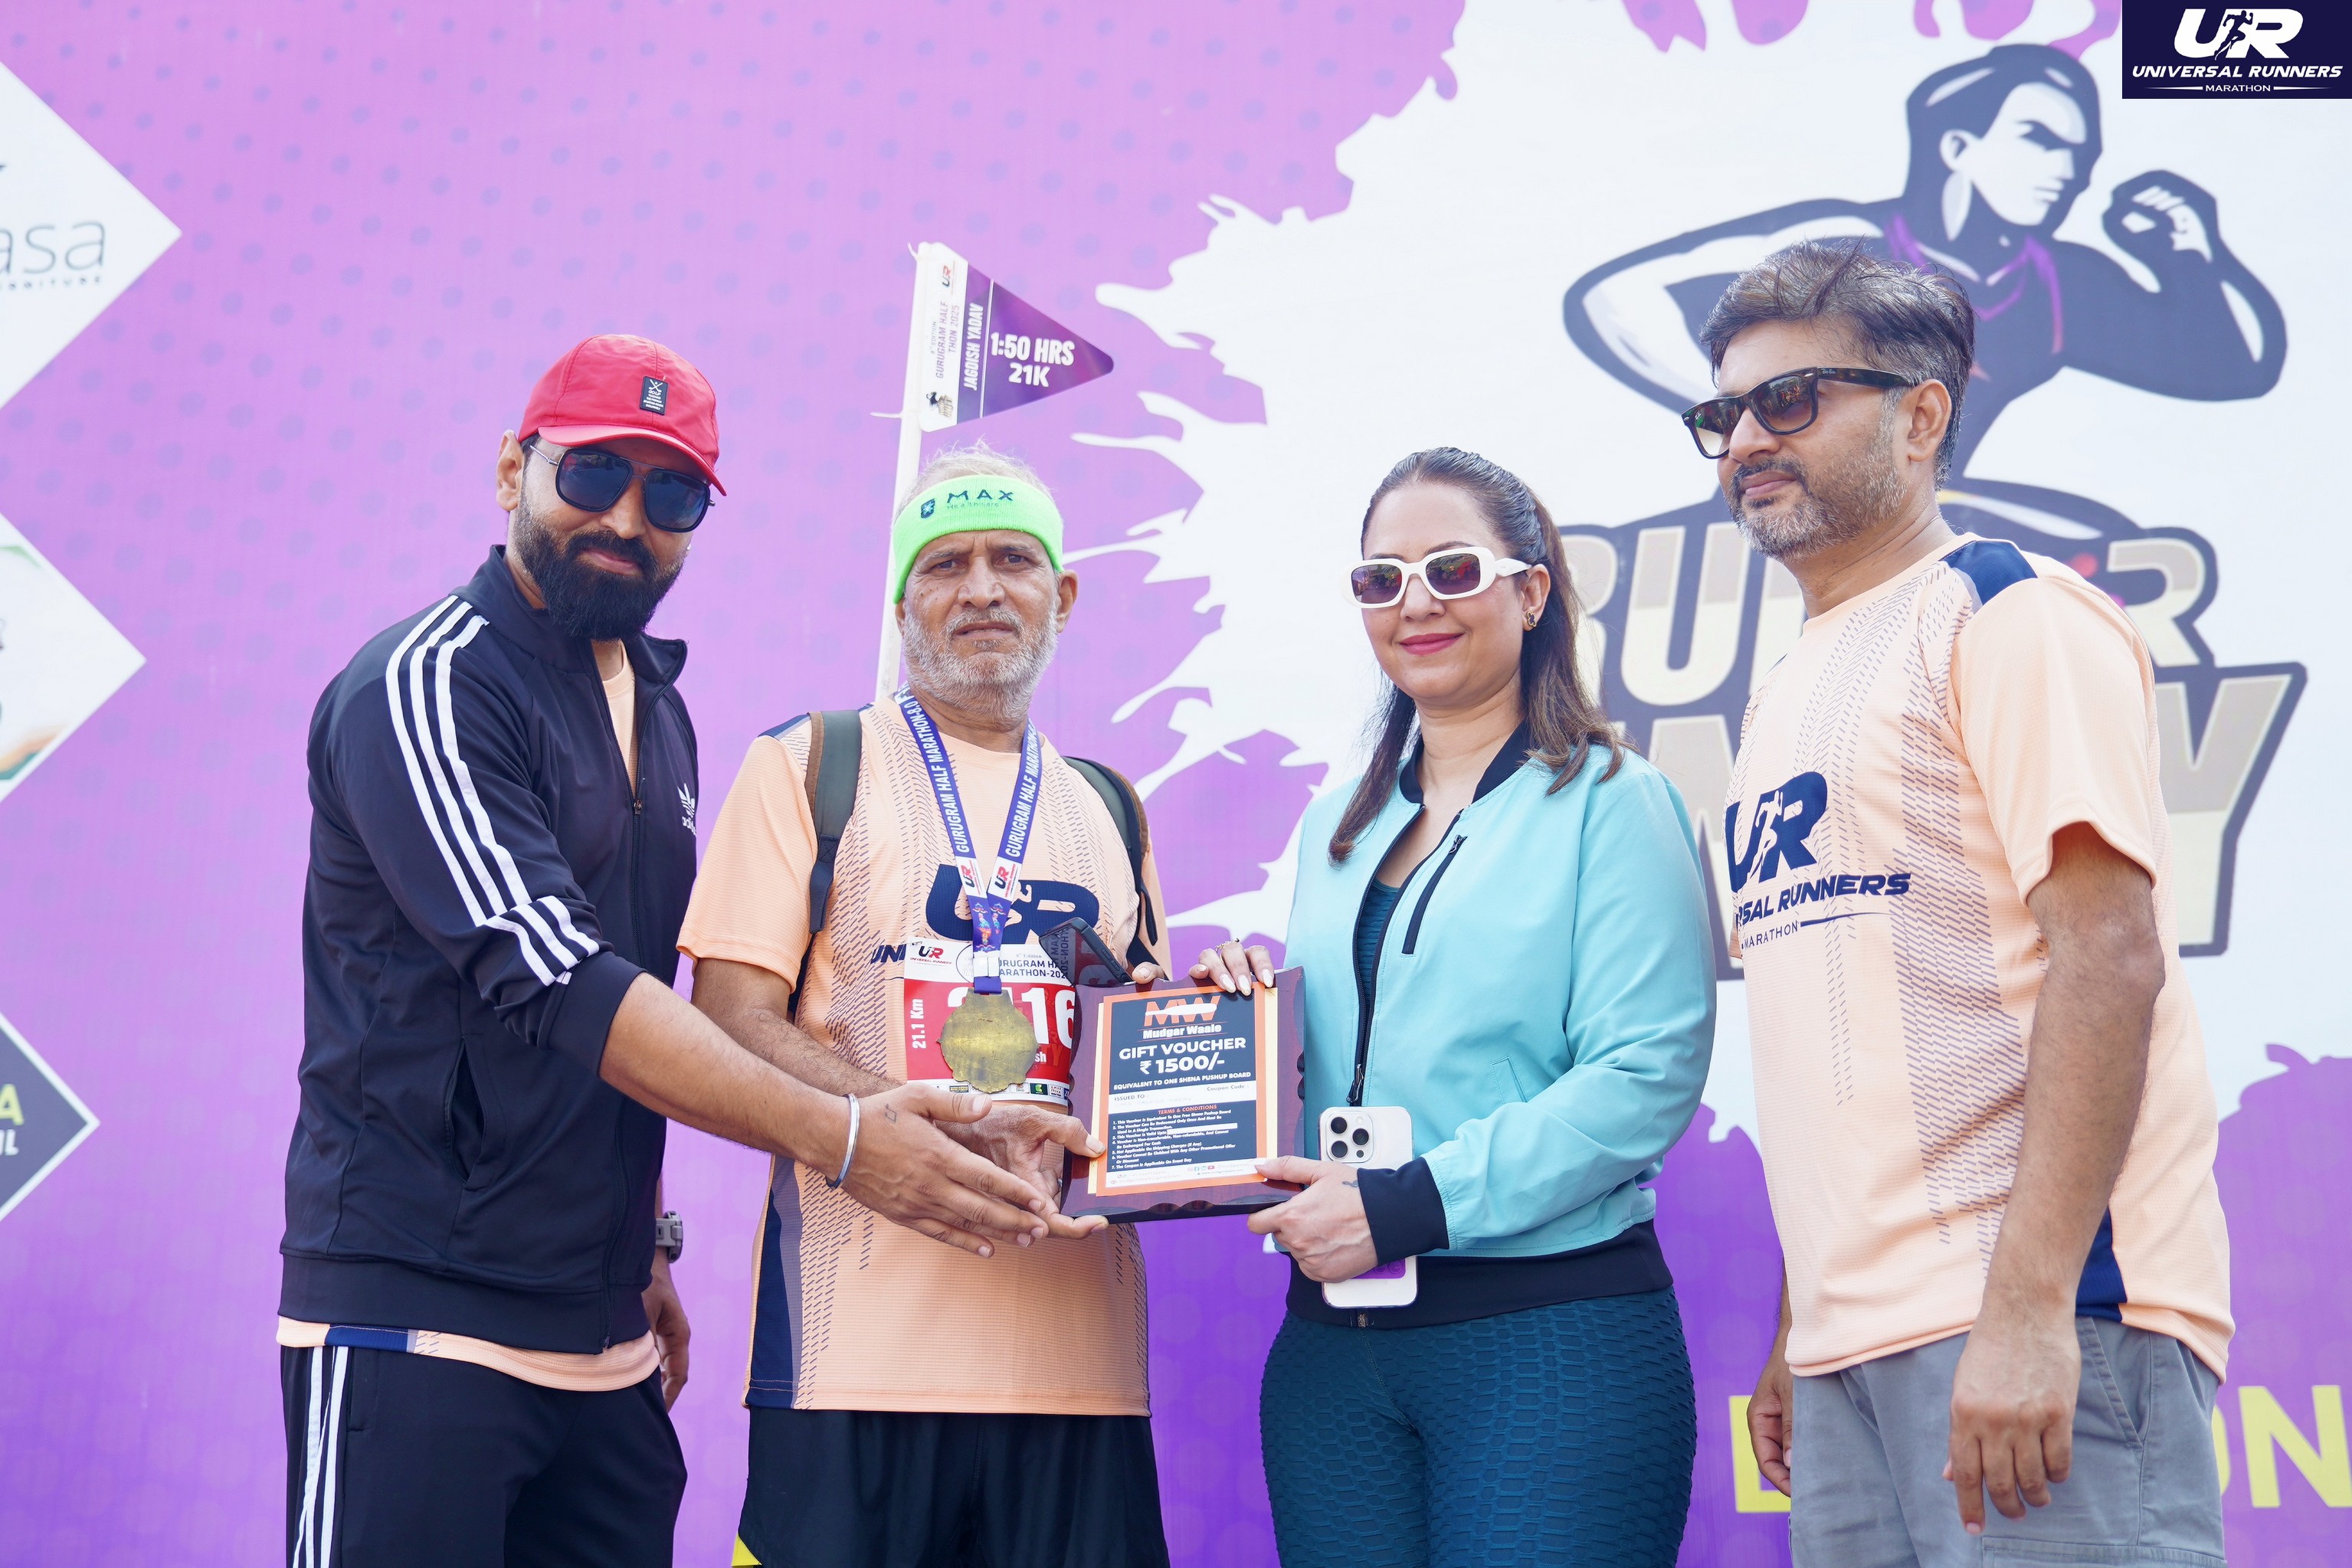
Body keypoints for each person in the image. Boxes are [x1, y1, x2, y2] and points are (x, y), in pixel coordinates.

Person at [279, 338, 1076, 1568]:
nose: (626, 519)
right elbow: (559, 980)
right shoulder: (425, 685)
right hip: (419, 1317)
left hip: (606, 1340)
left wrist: (642, 1239)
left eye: (672, 493)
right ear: (513, 469)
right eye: (592, 473)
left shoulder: (657, 705)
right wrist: (847, 1139)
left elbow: (643, 983)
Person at [1697, 244, 2232, 1563]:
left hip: (2039, 1319)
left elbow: (2107, 957)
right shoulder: (1784, 686)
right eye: (1724, 414)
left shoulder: (2007, 613)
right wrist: (1798, 1329)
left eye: (1790, 401)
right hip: (1848, 1356)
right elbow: (1839, 1047)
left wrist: (2033, 1305)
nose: (1746, 441)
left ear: (1921, 415)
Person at [1192, 447, 1718, 1567]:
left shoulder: (1617, 802)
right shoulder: (1335, 826)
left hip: (1547, 1339)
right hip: (1335, 1355)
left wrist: (1412, 1204)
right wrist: (1227, 1025)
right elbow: (1346, 1052)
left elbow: (1644, 1077)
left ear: (1531, 592)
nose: (1415, 603)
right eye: (1381, 579)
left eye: (1452, 569)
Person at [677, 443, 1177, 1568]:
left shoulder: (1111, 805)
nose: (982, 589)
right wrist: (895, 1121)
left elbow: (1134, 1051)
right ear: (901, 603)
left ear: (1064, 595)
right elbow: (725, 1021)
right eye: (945, 565)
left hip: (1081, 1367)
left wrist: (1221, 1015)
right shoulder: (812, 762)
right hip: (852, 1358)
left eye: (1013, 560)